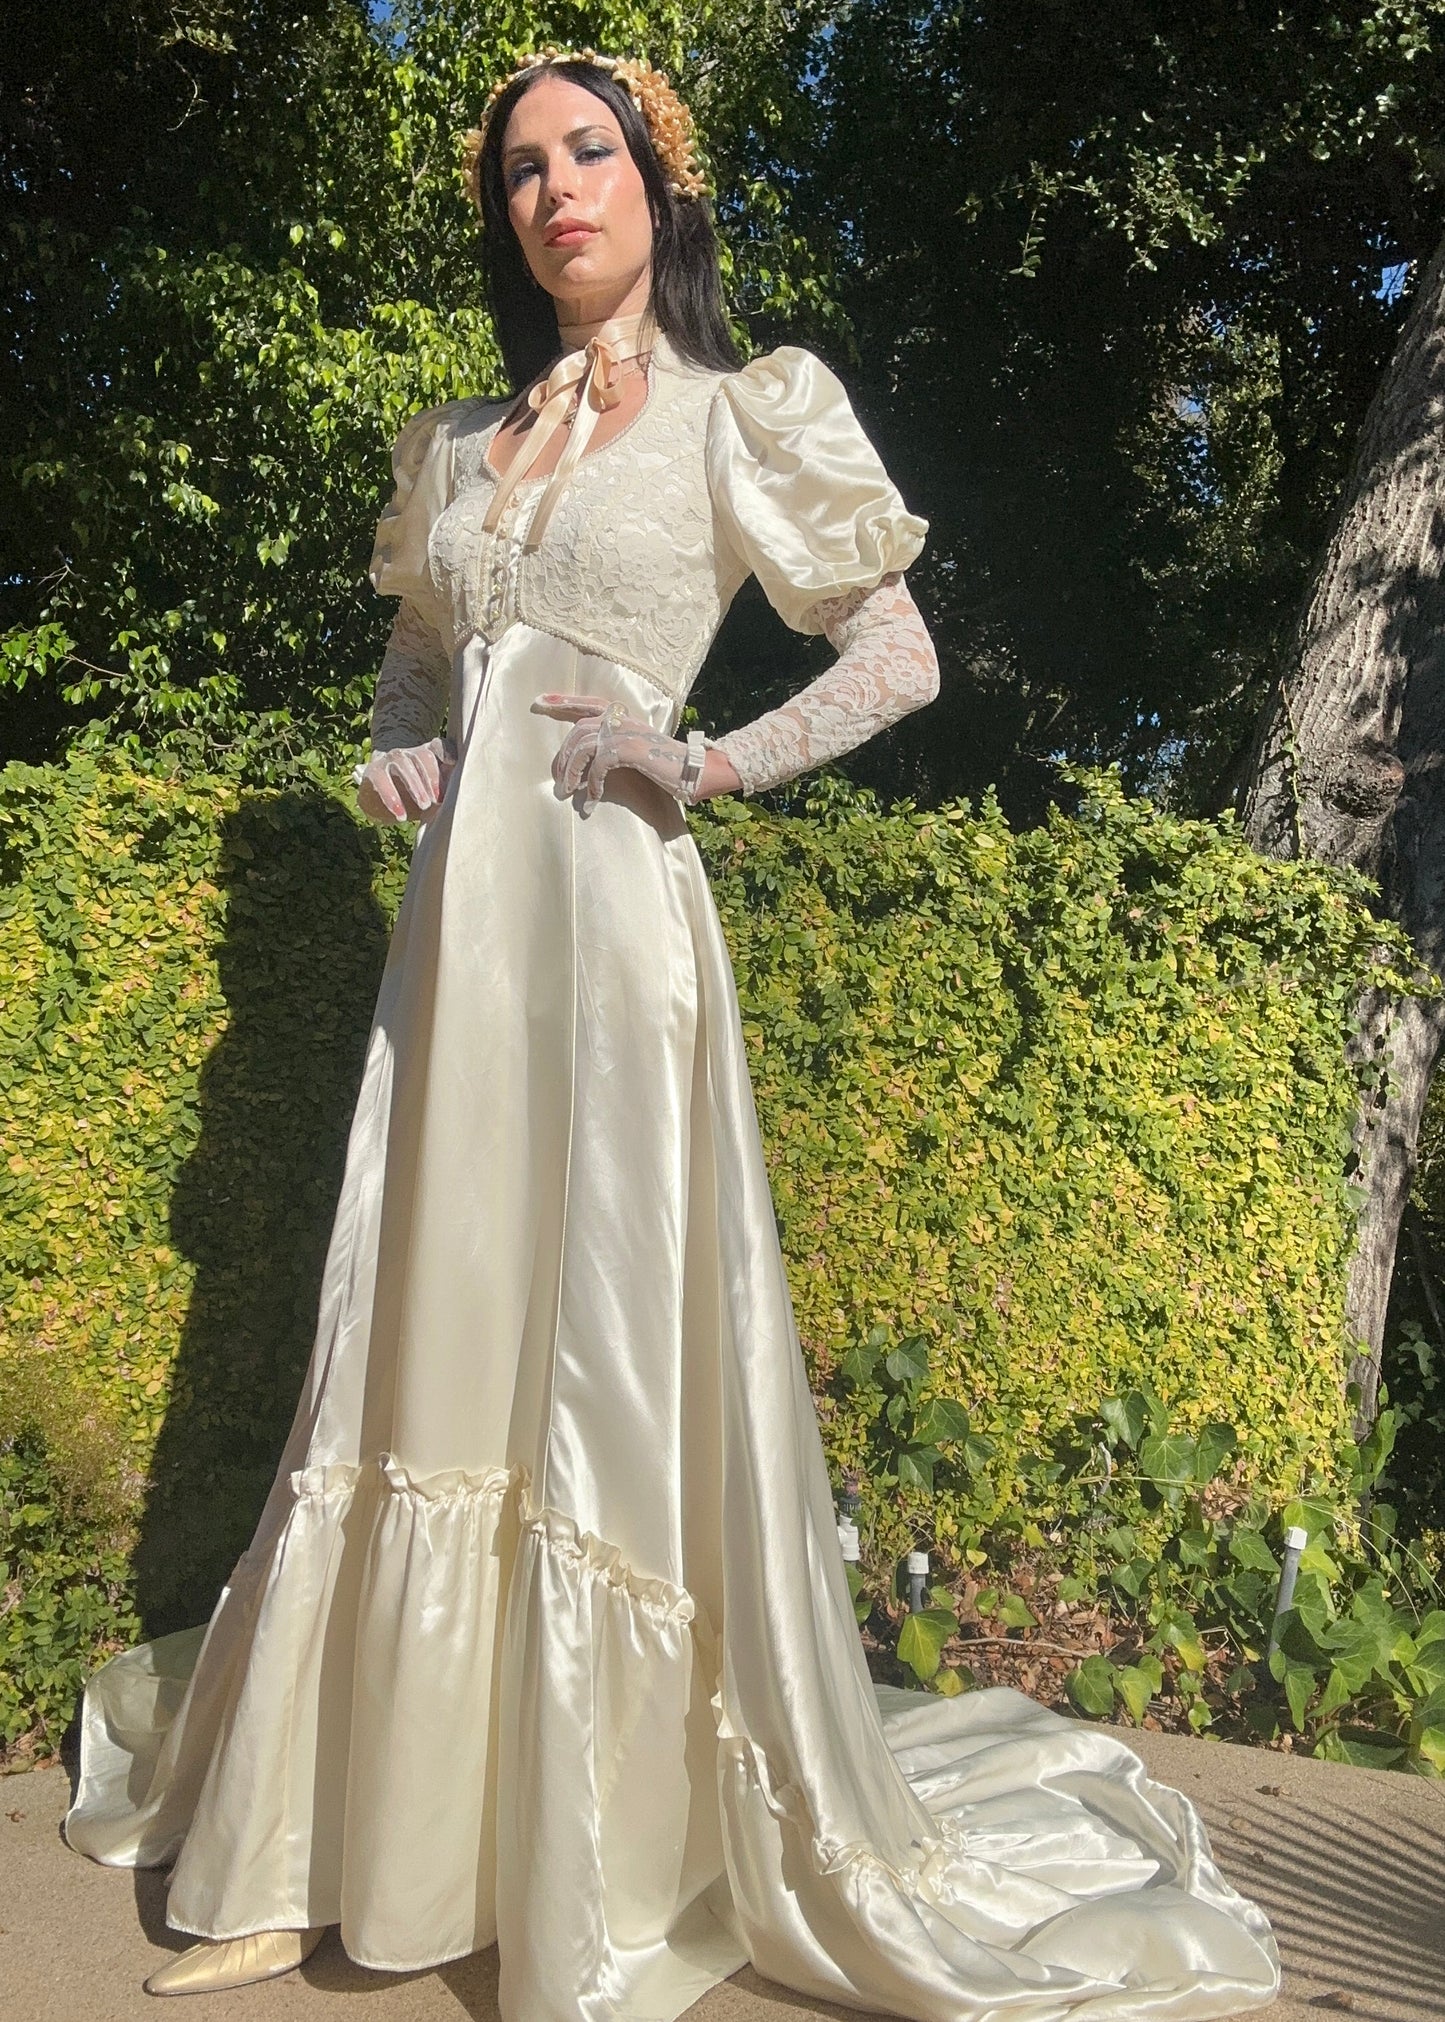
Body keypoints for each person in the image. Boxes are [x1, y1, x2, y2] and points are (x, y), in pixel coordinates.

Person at [62, 46, 1281, 2021]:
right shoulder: (455, 442)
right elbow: (412, 668)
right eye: (523, 168)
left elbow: (899, 651)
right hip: (460, 946)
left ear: (659, 182)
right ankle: (308, 1835)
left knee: (597, 1355)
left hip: (617, 928)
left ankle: (583, 1850)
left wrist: (703, 756)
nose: (555, 189)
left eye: (589, 153)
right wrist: (397, 760)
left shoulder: (746, 415)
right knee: (412, 1324)